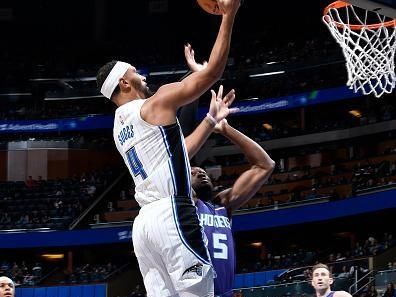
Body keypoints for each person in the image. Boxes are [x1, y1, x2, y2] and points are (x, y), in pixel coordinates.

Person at [95, 0, 240, 295]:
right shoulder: (155, 102)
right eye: (136, 72)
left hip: (145, 226)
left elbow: (178, 153)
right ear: (124, 82)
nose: (143, 76)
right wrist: (229, 15)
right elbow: (213, 73)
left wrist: (211, 119)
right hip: (172, 213)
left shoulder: (119, 127)